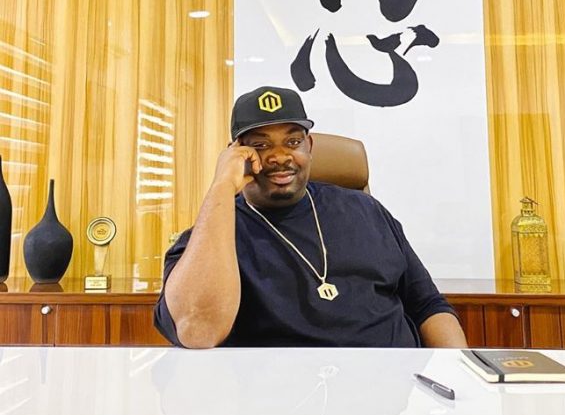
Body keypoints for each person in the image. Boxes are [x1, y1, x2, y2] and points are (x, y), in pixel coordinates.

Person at [154, 86, 468, 348]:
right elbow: (200, 331)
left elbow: (428, 306)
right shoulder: (208, 240)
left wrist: (458, 375)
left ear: (310, 146)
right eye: (261, 145)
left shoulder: (368, 211)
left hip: (393, 392)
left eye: (293, 142)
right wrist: (223, 184)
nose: (280, 157)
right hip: (280, 399)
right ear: (234, 154)